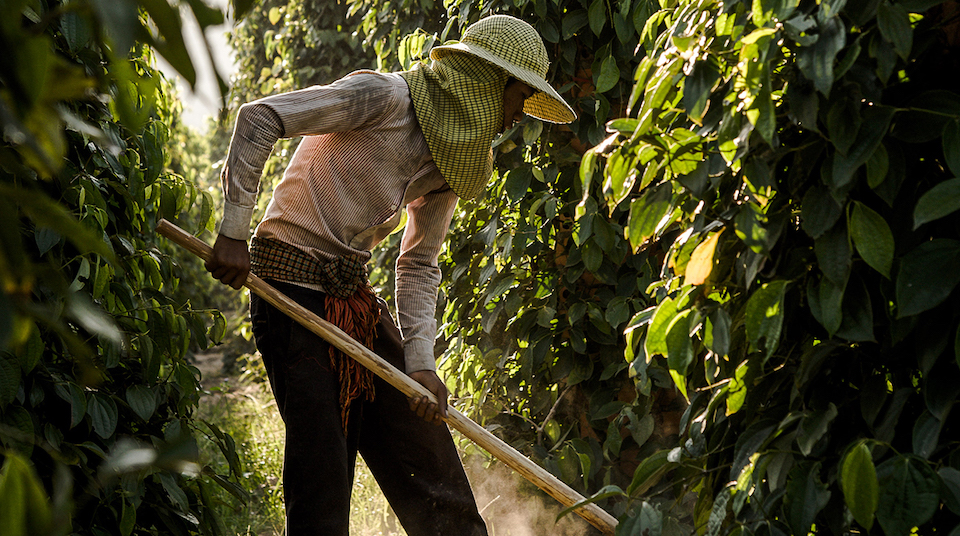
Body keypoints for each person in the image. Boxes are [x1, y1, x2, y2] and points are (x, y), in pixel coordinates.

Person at [205, 14, 576, 536]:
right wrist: (233, 231)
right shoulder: (382, 98)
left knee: (431, 466)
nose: (517, 115)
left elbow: (419, 261)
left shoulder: (454, 160)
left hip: (352, 298)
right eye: (519, 97)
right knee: (321, 482)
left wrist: (420, 363)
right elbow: (260, 118)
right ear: (489, 84)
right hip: (289, 290)